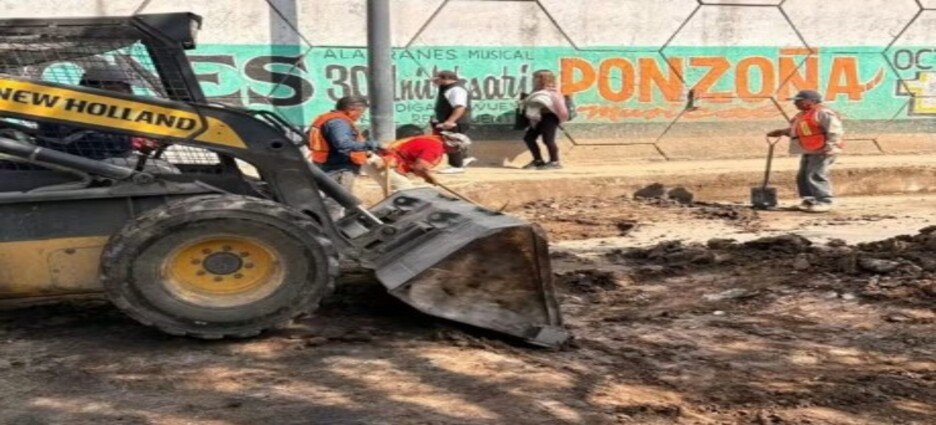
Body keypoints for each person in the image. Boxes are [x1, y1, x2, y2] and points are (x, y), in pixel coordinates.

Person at [767, 89, 844, 213]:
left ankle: (824, 201)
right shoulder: (803, 115)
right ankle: (809, 200)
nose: (795, 103)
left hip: (822, 150)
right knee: (803, 176)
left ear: (811, 101)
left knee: (815, 175)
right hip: (809, 149)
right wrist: (782, 132)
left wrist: (830, 147)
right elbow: (802, 130)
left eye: (799, 101)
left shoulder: (823, 113)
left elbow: (835, 131)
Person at [308, 95, 379, 218]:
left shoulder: (325, 118)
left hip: (325, 164)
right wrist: (369, 145)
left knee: (334, 200)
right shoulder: (339, 123)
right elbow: (343, 144)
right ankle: (332, 227)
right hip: (339, 168)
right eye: (361, 112)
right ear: (351, 110)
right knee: (337, 201)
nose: (360, 116)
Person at [361, 126, 471, 194]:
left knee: (394, 193)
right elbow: (419, 167)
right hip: (382, 164)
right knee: (406, 191)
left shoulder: (432, 140)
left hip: (376, 161)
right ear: (454, 146)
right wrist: (428, 178)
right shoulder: (435, 148)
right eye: (458, 149)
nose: (456, 152)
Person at [520, 69, 569, 170]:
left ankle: (554, 162)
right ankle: (538, 161)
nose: (534, 80)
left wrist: (532, 100)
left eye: (536, 78)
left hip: (550, 118)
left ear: (544, 79)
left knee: (548, 140)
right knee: (529, 138)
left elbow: (553, 105)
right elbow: (533, 102)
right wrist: (526, 100)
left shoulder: (552, 92)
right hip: (538, 118)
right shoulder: (536, 92)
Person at [431, 70, 476, 174]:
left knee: (452, 142)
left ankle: (456, 165)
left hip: (455, 121)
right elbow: (441, 86)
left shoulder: (456, 89)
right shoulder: (447, 87)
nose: (436, 81)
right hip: (452, 121)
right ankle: (463, 160)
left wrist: (450, 121)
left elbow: (459, 107)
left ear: (445, 79)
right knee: (455, 140)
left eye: (438, 79)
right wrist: (437, 82)